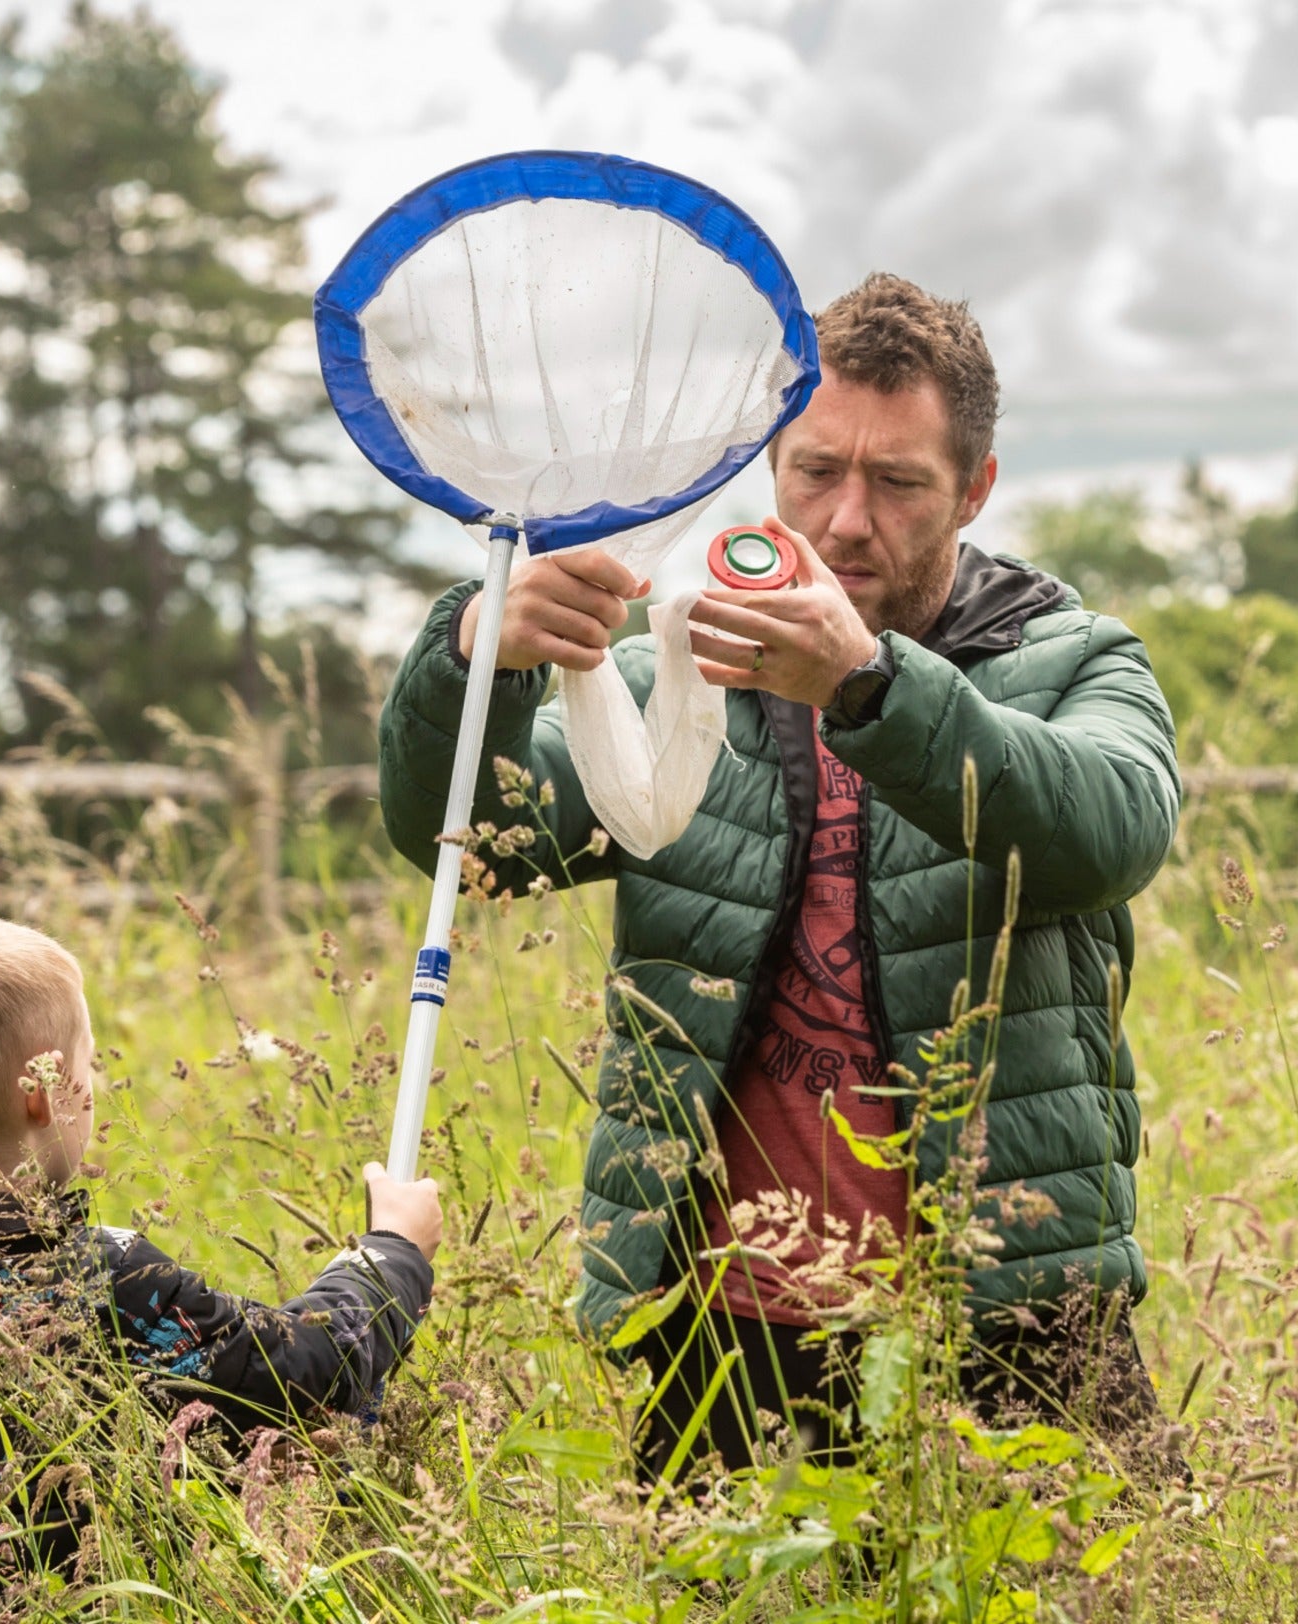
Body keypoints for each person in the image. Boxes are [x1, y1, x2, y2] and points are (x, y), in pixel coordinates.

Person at [377, 272, 1182, 1480]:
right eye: (814, 471)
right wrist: (472, 661)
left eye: (899, 481)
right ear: (770, 466)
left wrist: (869, 688)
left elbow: (1107, 829)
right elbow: (481, 835)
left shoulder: (1072, 659)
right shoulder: (681, 673)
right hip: (724, 1323)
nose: (847, 518)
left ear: (975, 489)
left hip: (1014, 1318)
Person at [0, 914, 443, 1606]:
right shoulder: (102, 1272)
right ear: (42, 1091)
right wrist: (391, 1255)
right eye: (88, 1064)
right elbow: (295, 1374)